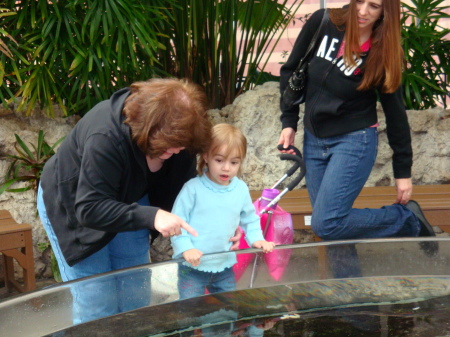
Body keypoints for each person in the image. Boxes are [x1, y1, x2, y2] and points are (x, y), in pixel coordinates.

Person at [37, 78, 240, 324]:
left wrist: (223, 225)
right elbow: (89, 207)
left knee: (135, 294)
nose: (176, 152)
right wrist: (152, 216)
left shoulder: (182, 138)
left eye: (180, 147)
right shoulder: (106, 135)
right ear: (150, 128)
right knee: (97, 301)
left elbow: (189, 198)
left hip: (133, 197)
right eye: (170, 146)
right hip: (78, 203)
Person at [277, 0, 436, 243]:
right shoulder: (323, 22)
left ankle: (405, 219)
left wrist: (402, 172)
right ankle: (345, 282)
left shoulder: (383, 52)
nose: (362, 11)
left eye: (374, 6)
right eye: (360, 1)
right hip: (314, 139)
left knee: (326, 223)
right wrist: (289, 121)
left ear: (385, 12)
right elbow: (291, 71)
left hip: (354, 140)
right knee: (336, 229)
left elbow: (395, 115)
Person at [171, 123, 275, 300]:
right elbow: (176, 222)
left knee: (228, 311)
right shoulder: (192, 189)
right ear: (206, 156)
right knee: (190, 312)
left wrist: (257, 238)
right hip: (192, 267)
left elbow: (249, 218)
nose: (226, 168)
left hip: (224, 266)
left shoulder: (240, 189)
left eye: (234, 162)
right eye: (219, 160)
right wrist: (186, 248)